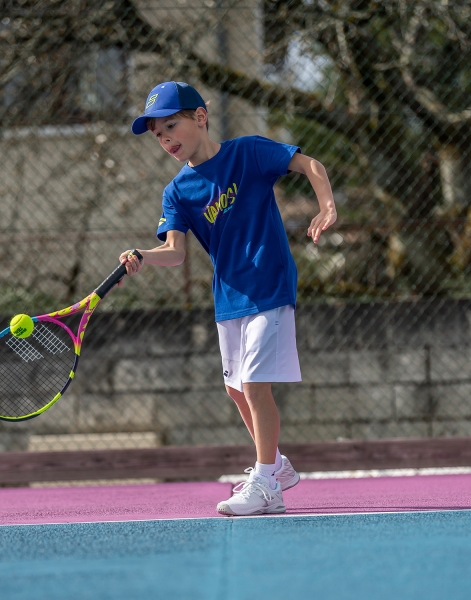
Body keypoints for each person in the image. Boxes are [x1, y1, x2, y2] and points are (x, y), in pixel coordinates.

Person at [120, 81, 337, 516]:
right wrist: (143, 254)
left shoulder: (248, 152)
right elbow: (176, 252)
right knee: (236, 391)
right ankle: (278, 467)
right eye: (158, 135)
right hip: (229, 296)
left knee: (255, 386)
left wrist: (327, 206)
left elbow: (310, 164)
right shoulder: (177, 192)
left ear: (200, 117)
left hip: (270, 284)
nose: (166, 139)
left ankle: (264, 483)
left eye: (171, 126)